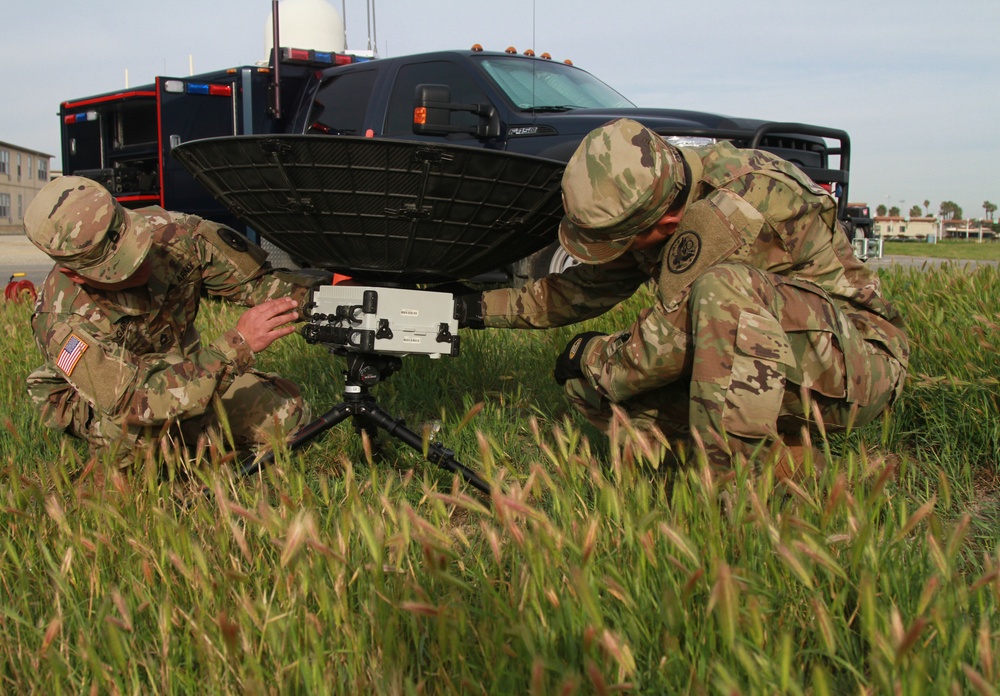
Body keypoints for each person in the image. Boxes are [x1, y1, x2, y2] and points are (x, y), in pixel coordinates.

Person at [457, 118, 909, 473]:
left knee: (718, 292)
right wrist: (470, 309)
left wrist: (592, 355)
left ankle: (733, 504)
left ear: (666, 226)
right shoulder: (658, 193)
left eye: (624, 243)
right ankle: (791, 464)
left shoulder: (737, 205)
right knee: (587, 390)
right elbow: (580, 291)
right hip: (772, 356)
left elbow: (658, 349)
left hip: (858, 366)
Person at [24, 176, 325, 469]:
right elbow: (133, 400)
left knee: (289, 420)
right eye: (119, 270)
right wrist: (237, 345)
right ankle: (128, 474)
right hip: (112, 403)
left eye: (137, 247)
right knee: (142, 444)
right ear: (75, 274)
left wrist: (333, 294)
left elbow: (261, 285)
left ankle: (200, 445)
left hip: (184, 372)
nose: (140, 263)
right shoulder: (61, 321)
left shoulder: (177, 237)